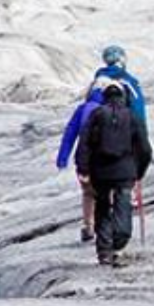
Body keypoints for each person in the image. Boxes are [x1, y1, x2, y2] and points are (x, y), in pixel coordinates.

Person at [76, 80, 152, 268]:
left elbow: (84, 143)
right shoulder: (132, 116)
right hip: (125, 171)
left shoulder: (96, 115)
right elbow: (144, 148)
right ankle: (119, 240)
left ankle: (104, 252)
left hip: (100, 171)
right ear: (123, 96)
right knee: (123, 204)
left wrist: (83, 168)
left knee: (102, 207)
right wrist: (139, 171)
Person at [55, 83, 106, 246]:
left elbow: (69, 134)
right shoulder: (112, 110)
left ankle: (88, 226)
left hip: (84, 159)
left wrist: (62, 158)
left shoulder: (83, 109)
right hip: (106, 158)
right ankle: (106, 226)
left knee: (88, 193)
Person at [91, 45, 147, 126]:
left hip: (101, 128)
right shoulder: (128, 81)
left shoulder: (98, 81)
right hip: (125, 128)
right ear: (121, 59)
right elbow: (138, 107)